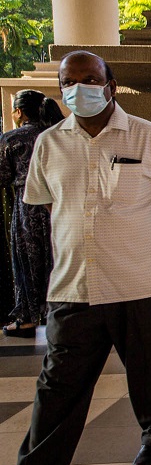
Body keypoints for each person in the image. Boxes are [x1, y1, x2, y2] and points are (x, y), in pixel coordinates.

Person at [0, 51, 151, 465]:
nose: (78, 88)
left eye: (89, 80)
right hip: (73, 287)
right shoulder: (48, 144)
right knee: (57, 387)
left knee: (147, 369)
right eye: (70, 81)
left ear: (110, 85)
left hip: (138, 278)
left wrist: (140, 241)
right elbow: (44, 206)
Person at [0, 91, 62, 337]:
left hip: (28, 206)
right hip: (59, 204)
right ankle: (57, 313)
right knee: (58, 259)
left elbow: (3, 177)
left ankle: (26, 318)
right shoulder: (59, 134)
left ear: (19, 112)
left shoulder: (12, 139)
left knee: (27, 261)